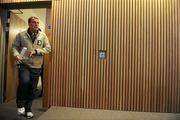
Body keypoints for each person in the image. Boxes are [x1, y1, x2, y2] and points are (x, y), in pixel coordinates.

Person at [12, 16, 51, 119]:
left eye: (37, 22)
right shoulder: (21, 35)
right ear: (29, 24)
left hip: (37, 65)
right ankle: (20, 105)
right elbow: (15, 46)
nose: (36, 24)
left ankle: (28, 109)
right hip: (24, 64)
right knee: (24, 82)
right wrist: (16, 55)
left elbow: (48, 48)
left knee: (32, 88)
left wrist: (37, 51)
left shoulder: (43, 36)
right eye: (34, 22)